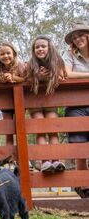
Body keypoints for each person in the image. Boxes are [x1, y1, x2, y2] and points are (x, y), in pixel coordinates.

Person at [26, 35, 67, 173]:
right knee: (40, 130)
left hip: (50, 100)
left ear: (49, 47)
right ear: (33, 50)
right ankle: (44, 162)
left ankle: (56, 161)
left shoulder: (57, 61)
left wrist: (50, 76)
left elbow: (62, 75)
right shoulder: (31, 63)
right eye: (37, 47)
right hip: (35, 101)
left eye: (43, 46)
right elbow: (27, 78)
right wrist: (38, 76)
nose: (40, 49)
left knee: (53, 130)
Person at [63, 22, 89, 198]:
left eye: (80, 35)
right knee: (79, 148)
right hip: (76, 105)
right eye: (74, 37)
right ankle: (84, 187)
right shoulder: (69, 54)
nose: (78, 39)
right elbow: (67, 74)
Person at [0, 42, 26, 145]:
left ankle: (22, 154)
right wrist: (2, 79)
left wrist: (13, 77)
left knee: (20, 127)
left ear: (13, 54)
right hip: (5, 100)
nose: (6, 56)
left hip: (19, 99)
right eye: (2, 54)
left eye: (8, 53)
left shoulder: (20, 64)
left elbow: (25, 78)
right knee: (8, 128)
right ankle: (10, 157)